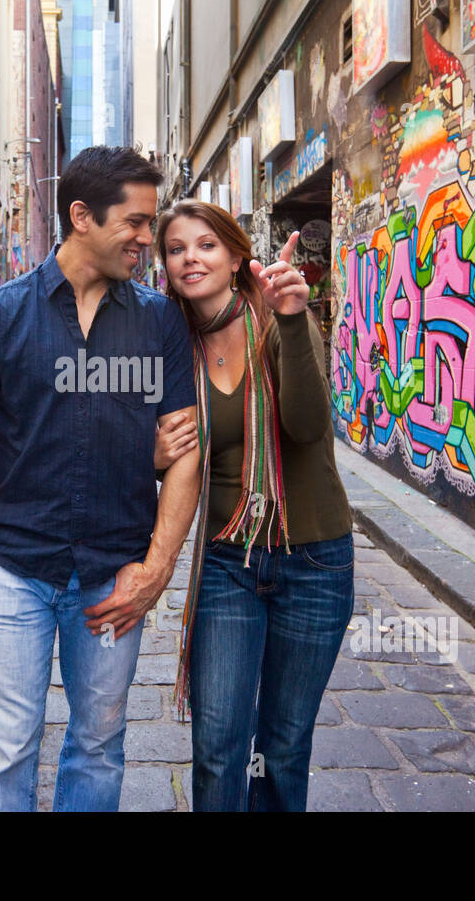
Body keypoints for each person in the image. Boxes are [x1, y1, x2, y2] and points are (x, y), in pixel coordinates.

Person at [0, 146, 201, 812]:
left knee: (99, 747)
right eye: (135, 222)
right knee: (7, 749)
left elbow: (185, 451)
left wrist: (155, 570)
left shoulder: (159, 323)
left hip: (114, 576)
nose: (146, 240)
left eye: (151, 224)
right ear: (81, 217)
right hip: (18, 573)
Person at [152, 199, 354, 812]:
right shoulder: (166, 342)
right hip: (226, 563)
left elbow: (308, 424)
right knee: (217, 749)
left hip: (313, 560)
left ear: (238, 254)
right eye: (176, 247)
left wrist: (294, 320)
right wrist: (153, 455)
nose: (191, 257)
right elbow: (138, 441)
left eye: (207, 244)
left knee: (285, 748)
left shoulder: (279, 317)